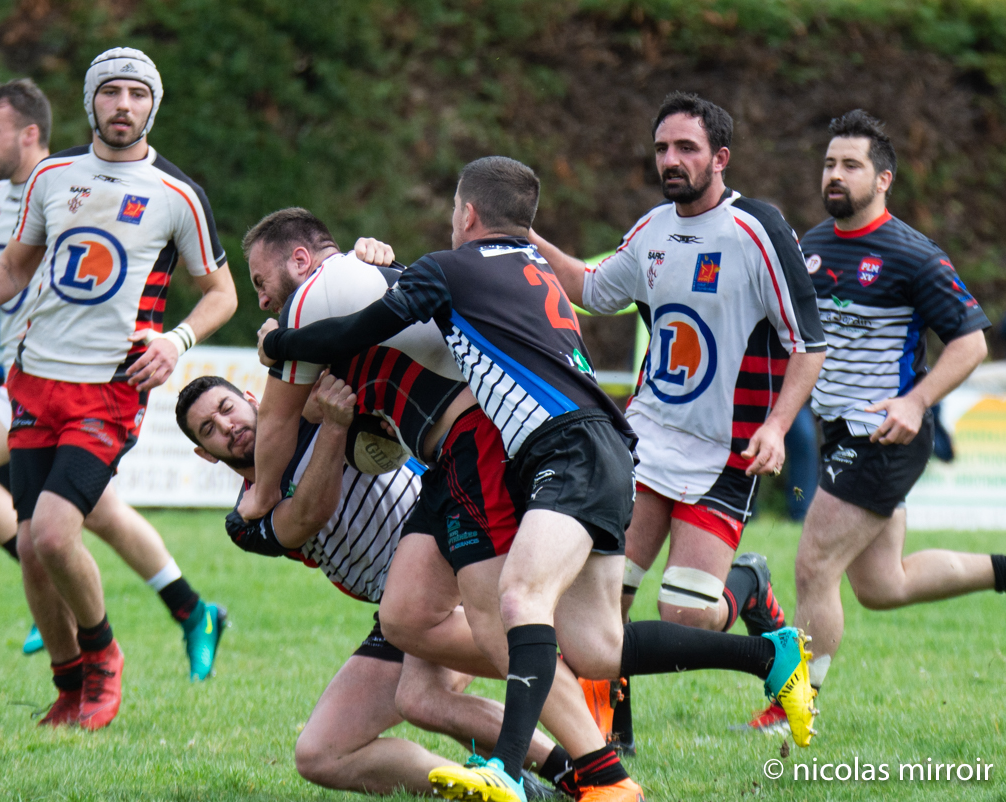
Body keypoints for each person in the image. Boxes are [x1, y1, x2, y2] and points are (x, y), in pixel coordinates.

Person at [262, 157, 820, 801]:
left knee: (521, 601)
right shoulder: (534, 269)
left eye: (452, 213)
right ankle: (768, 656)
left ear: (467, 214)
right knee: (598, 646)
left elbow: (367, 325)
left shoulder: (453, 269)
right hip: (610, 447)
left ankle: (513, 768)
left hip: (565, 447)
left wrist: (281, 343)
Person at [0, 48, 237, 730]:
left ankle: (104, 659)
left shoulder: (177, 193)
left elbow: (220, 292)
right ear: (91, 102)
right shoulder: (53, 174)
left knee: (52, 534)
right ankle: (68, 683)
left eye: (137, 93)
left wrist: (175, 342)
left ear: (152, 104)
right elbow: (16, 264)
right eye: (112, 93)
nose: (123, 105)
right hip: (33, 380)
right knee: (31, 551)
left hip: (108, 391)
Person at [530, 92, 827, 738]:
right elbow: (589, 288)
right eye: (663, 147)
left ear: (720, 157)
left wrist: (776, 427)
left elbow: (809, 344)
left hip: (728, 449)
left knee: (686, 612)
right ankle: (614, 731)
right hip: (647, 440)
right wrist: (519, 234)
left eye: (686, 148)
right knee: (604, 597)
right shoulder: (650, 230)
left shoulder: (758, 228)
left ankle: (745, 587)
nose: (671, 159)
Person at [176, 373, 564, 798]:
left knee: (424, 697)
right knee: (321, 753)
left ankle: (578, 767)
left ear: (253, 399)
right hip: (399, 609)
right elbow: (308, 515)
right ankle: (495, 788)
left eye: (226, 408)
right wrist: (334, 427)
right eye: (209, 429)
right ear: (204, 453)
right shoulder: (244, 521)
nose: (227, 426)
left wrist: (289, 361)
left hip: (458, 554)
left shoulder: (316, 409)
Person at [794, 109, 1003, 697]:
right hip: (840, 431)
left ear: (882, 179)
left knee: (813, 566)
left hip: (885, 436)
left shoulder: (913, 255)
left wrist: (915, 402)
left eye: (851, 165)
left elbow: (970, 343)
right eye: (830, 163)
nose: (835, 174)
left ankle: (793, 706)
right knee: (883, 585)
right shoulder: (810, 247)